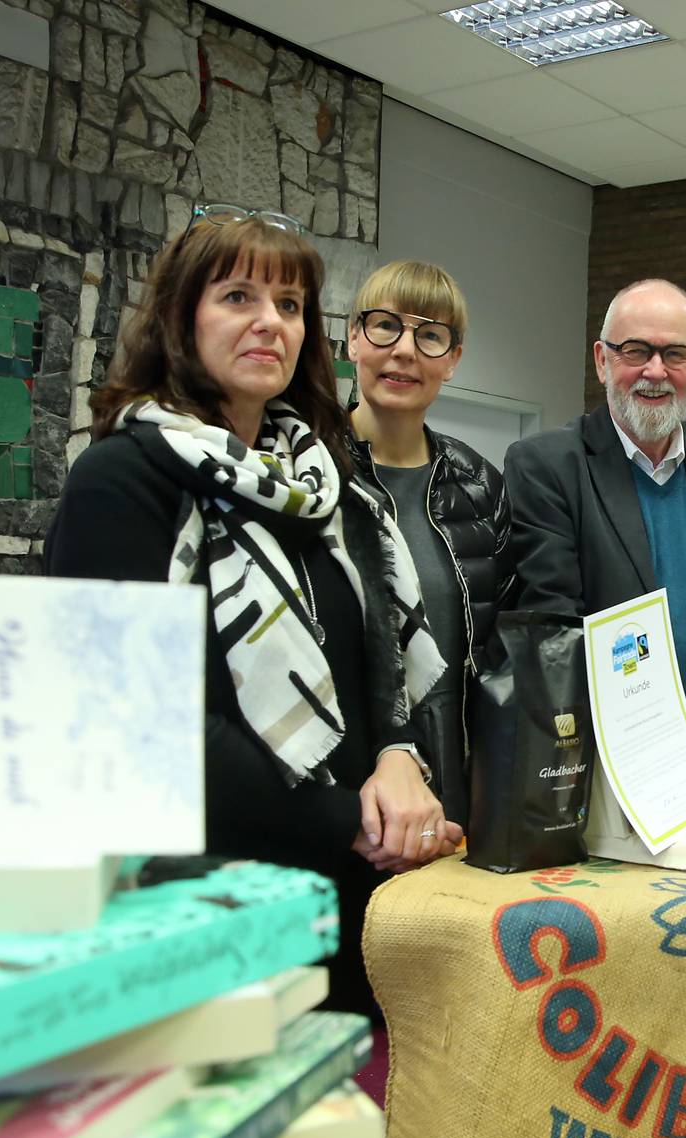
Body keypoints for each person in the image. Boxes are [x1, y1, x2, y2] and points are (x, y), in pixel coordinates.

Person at [46, 203, 458, 1014]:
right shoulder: (121, 481)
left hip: (349, 901)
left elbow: (380, 654)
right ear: (181, 318)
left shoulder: (330, 484)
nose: (270, 321)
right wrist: (347, 818)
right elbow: (141, 721)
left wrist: (397, 754)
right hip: (203, 903)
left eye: (290, 304)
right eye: (238, 296)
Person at [504, 279, 686, 792]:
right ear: (602, 360)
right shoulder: (546, 467)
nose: (655, 371)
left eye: (676, 354)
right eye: (636, 351)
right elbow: (551, 632)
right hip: (600, 781)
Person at [343, 260, 514, 832]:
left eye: (430, 335)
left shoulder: (480, 485)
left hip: (465, 795)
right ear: (353, 337)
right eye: (385, 326)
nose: (404, 351)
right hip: (352, 798)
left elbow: (504, 650)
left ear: (453, 358)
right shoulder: (308, 474)